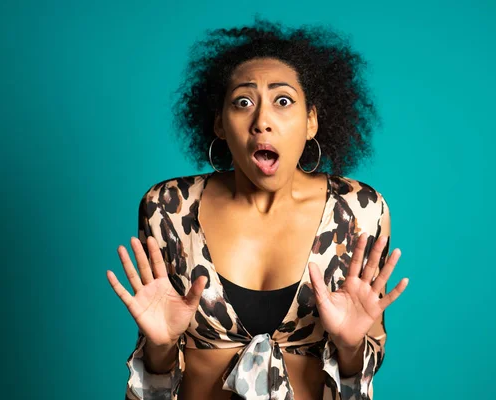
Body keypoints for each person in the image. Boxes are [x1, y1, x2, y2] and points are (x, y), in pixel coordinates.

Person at [106, 18, 409, 400]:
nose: (262, 121)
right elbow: (156, 378)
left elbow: (359, 373)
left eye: (283, 101)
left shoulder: (360, 211)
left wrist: (350, 346)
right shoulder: (167, 208)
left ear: (311, 120)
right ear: (219, 122)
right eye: (243, 102)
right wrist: (161, 345)